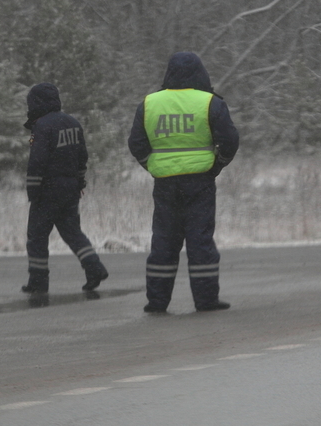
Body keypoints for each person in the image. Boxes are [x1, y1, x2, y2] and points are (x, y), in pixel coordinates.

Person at [128, 52, 239, 313]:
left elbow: (136, 143)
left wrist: (153, 166)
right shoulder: (210, 102)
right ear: (201, 73)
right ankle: (206, 299)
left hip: (165, 183)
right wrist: (217, 165)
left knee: (164, 241)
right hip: (200, 182)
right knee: (200, 241)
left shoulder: (149, 103)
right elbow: (230, 140)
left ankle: (156, 301)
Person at [22, 82, 108, 294]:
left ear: (37, 103)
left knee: (37, 236)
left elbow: (37, 162)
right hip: (70, 190)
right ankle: (94, 268)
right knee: (73, 232)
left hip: (47, 190)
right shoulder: (73, 123)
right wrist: (79, 182)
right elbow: (82, 157)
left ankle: (38, 282)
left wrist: (32, 190)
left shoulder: (42, 126)